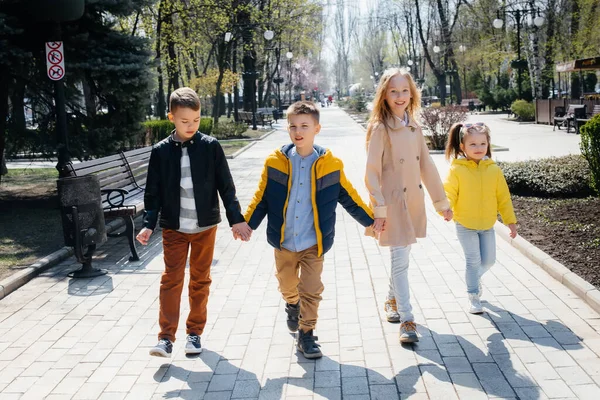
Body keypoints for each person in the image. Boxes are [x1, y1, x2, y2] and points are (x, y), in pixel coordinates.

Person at [244, 101, 379, 359]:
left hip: (313, 243)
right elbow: (261, 197)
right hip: (284, 242)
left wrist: (370, 222)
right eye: (293, 126)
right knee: (287, 285)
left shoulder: (330, 164)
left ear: (317, 128)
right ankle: (292, 305)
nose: (298, 131)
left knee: (312, 289)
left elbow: (350, 198)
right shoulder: (275, 161)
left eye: (305, 126)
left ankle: (307, 334)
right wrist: (247, 224)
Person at [136, 87, 252, 357]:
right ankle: (165, 338)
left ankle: (194, 334)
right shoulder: (161, 151)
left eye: (196, 120)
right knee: (171, 280)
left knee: (200, 280)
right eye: (185, 121)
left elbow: (227, 186)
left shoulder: (210, 146)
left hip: (204, 228)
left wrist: (237, 220)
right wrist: (148, 224)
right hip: (174, 227)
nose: (191, 126)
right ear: (171, 117)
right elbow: (152, 193)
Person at [365, 68, 452, 343]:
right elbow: (371, 173)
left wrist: (441, 202)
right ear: (385, 95)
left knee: (401, 259)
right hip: (392, 204)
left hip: (412, 201)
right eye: (394, 91)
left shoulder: (414, 126)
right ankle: (407, 320)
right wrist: (379, 208)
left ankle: (391, 299)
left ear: (412, 93)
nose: (400, 96)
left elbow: (426, 165)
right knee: (400, 261)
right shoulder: (380, 128)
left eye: (405, 90)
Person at [443, 122, 517, 314]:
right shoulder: (456, 170)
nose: (478, 148)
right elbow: (449, 192)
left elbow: (503, 197)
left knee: (489, 261)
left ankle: (473, 279)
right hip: (465, 224)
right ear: (462, 147)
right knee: (473, 261)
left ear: (488, 145)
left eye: (482, 144)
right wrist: (446, 209)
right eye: (473, 144)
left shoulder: (494, 170)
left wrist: (510, 221)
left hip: (487, 225)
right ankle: (473, 296)